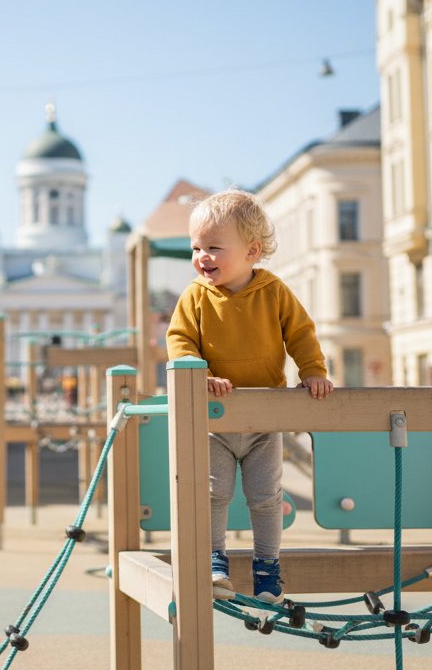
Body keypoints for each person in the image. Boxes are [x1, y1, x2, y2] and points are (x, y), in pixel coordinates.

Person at [165, 188, 332, 603]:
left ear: (252, 251)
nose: (202, 256)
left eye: (214, 247)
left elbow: (300, 335)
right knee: (213, 492)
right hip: (216, 418)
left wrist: (312, 373)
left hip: (264, 417)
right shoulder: (195, 297)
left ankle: (267, 567)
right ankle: (214, 560)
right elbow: (180, 340)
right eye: (196, 247)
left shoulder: (274, 292)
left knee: (266, 497)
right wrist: (201, 374)